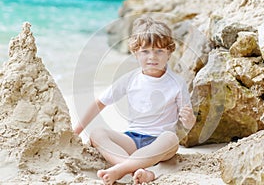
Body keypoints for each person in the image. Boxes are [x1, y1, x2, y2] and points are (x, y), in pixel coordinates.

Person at [73, 16, 196, 185]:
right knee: (97, 133)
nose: (152, 57)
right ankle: (139, 171)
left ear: (169, 52)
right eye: (145, 51)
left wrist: (189, 120)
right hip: (131, 140)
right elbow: (99, 103)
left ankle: (121, 169)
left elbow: (188, 124)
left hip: (159, 143)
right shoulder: (130, 79)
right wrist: (76, 131)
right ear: (135, 53)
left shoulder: (177, 83)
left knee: (171, 139)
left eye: (159, 51)